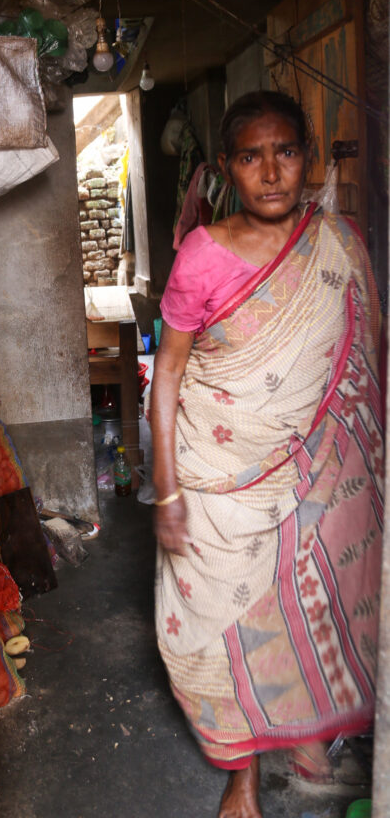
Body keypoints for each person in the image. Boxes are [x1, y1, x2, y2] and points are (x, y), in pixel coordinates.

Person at [150, 90, 384, 818]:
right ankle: (241, 771)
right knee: (215, 623)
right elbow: (169, 373)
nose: (272, 172)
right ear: (226, 167)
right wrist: (166, 489)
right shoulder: (202, 254)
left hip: (310, 465)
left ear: (305, 157)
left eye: (285, 152)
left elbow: (359, 353)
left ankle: (303, 730)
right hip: (216, 473)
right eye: (251, 157)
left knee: (293, 601)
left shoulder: (336, 244)